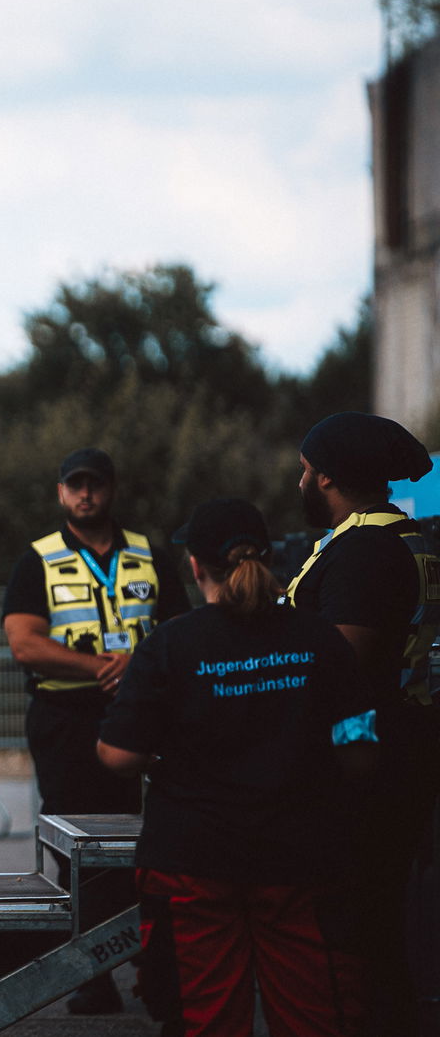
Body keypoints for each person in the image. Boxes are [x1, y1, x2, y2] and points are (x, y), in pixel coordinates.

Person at [99, 498, 376, 1037]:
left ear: (195, 566)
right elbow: (361, 752)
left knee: (204, 1021)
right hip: (301, 861)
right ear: (270, 559)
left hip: (192, 864)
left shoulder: (170, 645)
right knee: (316, 1018)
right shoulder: (321, 639)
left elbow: (118, 754)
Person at [2, 446, 190, 1015]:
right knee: (78, 847)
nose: (85, 494)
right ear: (61, 492)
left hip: (141, 718)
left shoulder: (147, 553)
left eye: (95, 484)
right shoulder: (38, 558)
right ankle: (93, 973)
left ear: (111, 489)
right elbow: (24, 642)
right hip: (66, 720)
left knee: (146, 842)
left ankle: (151, 964)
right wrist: (102, 668)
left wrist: (140, 666)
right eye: (75, 485)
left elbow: (179, 629)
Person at [284, 411, 440, 1036]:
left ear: (326, 478)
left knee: (360, 910)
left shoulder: (364, 550)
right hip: (406, 737)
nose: (298, 482)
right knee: (383, 904)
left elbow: (341, 665)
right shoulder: (407, 535)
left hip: (368, 752)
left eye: (303, 471)